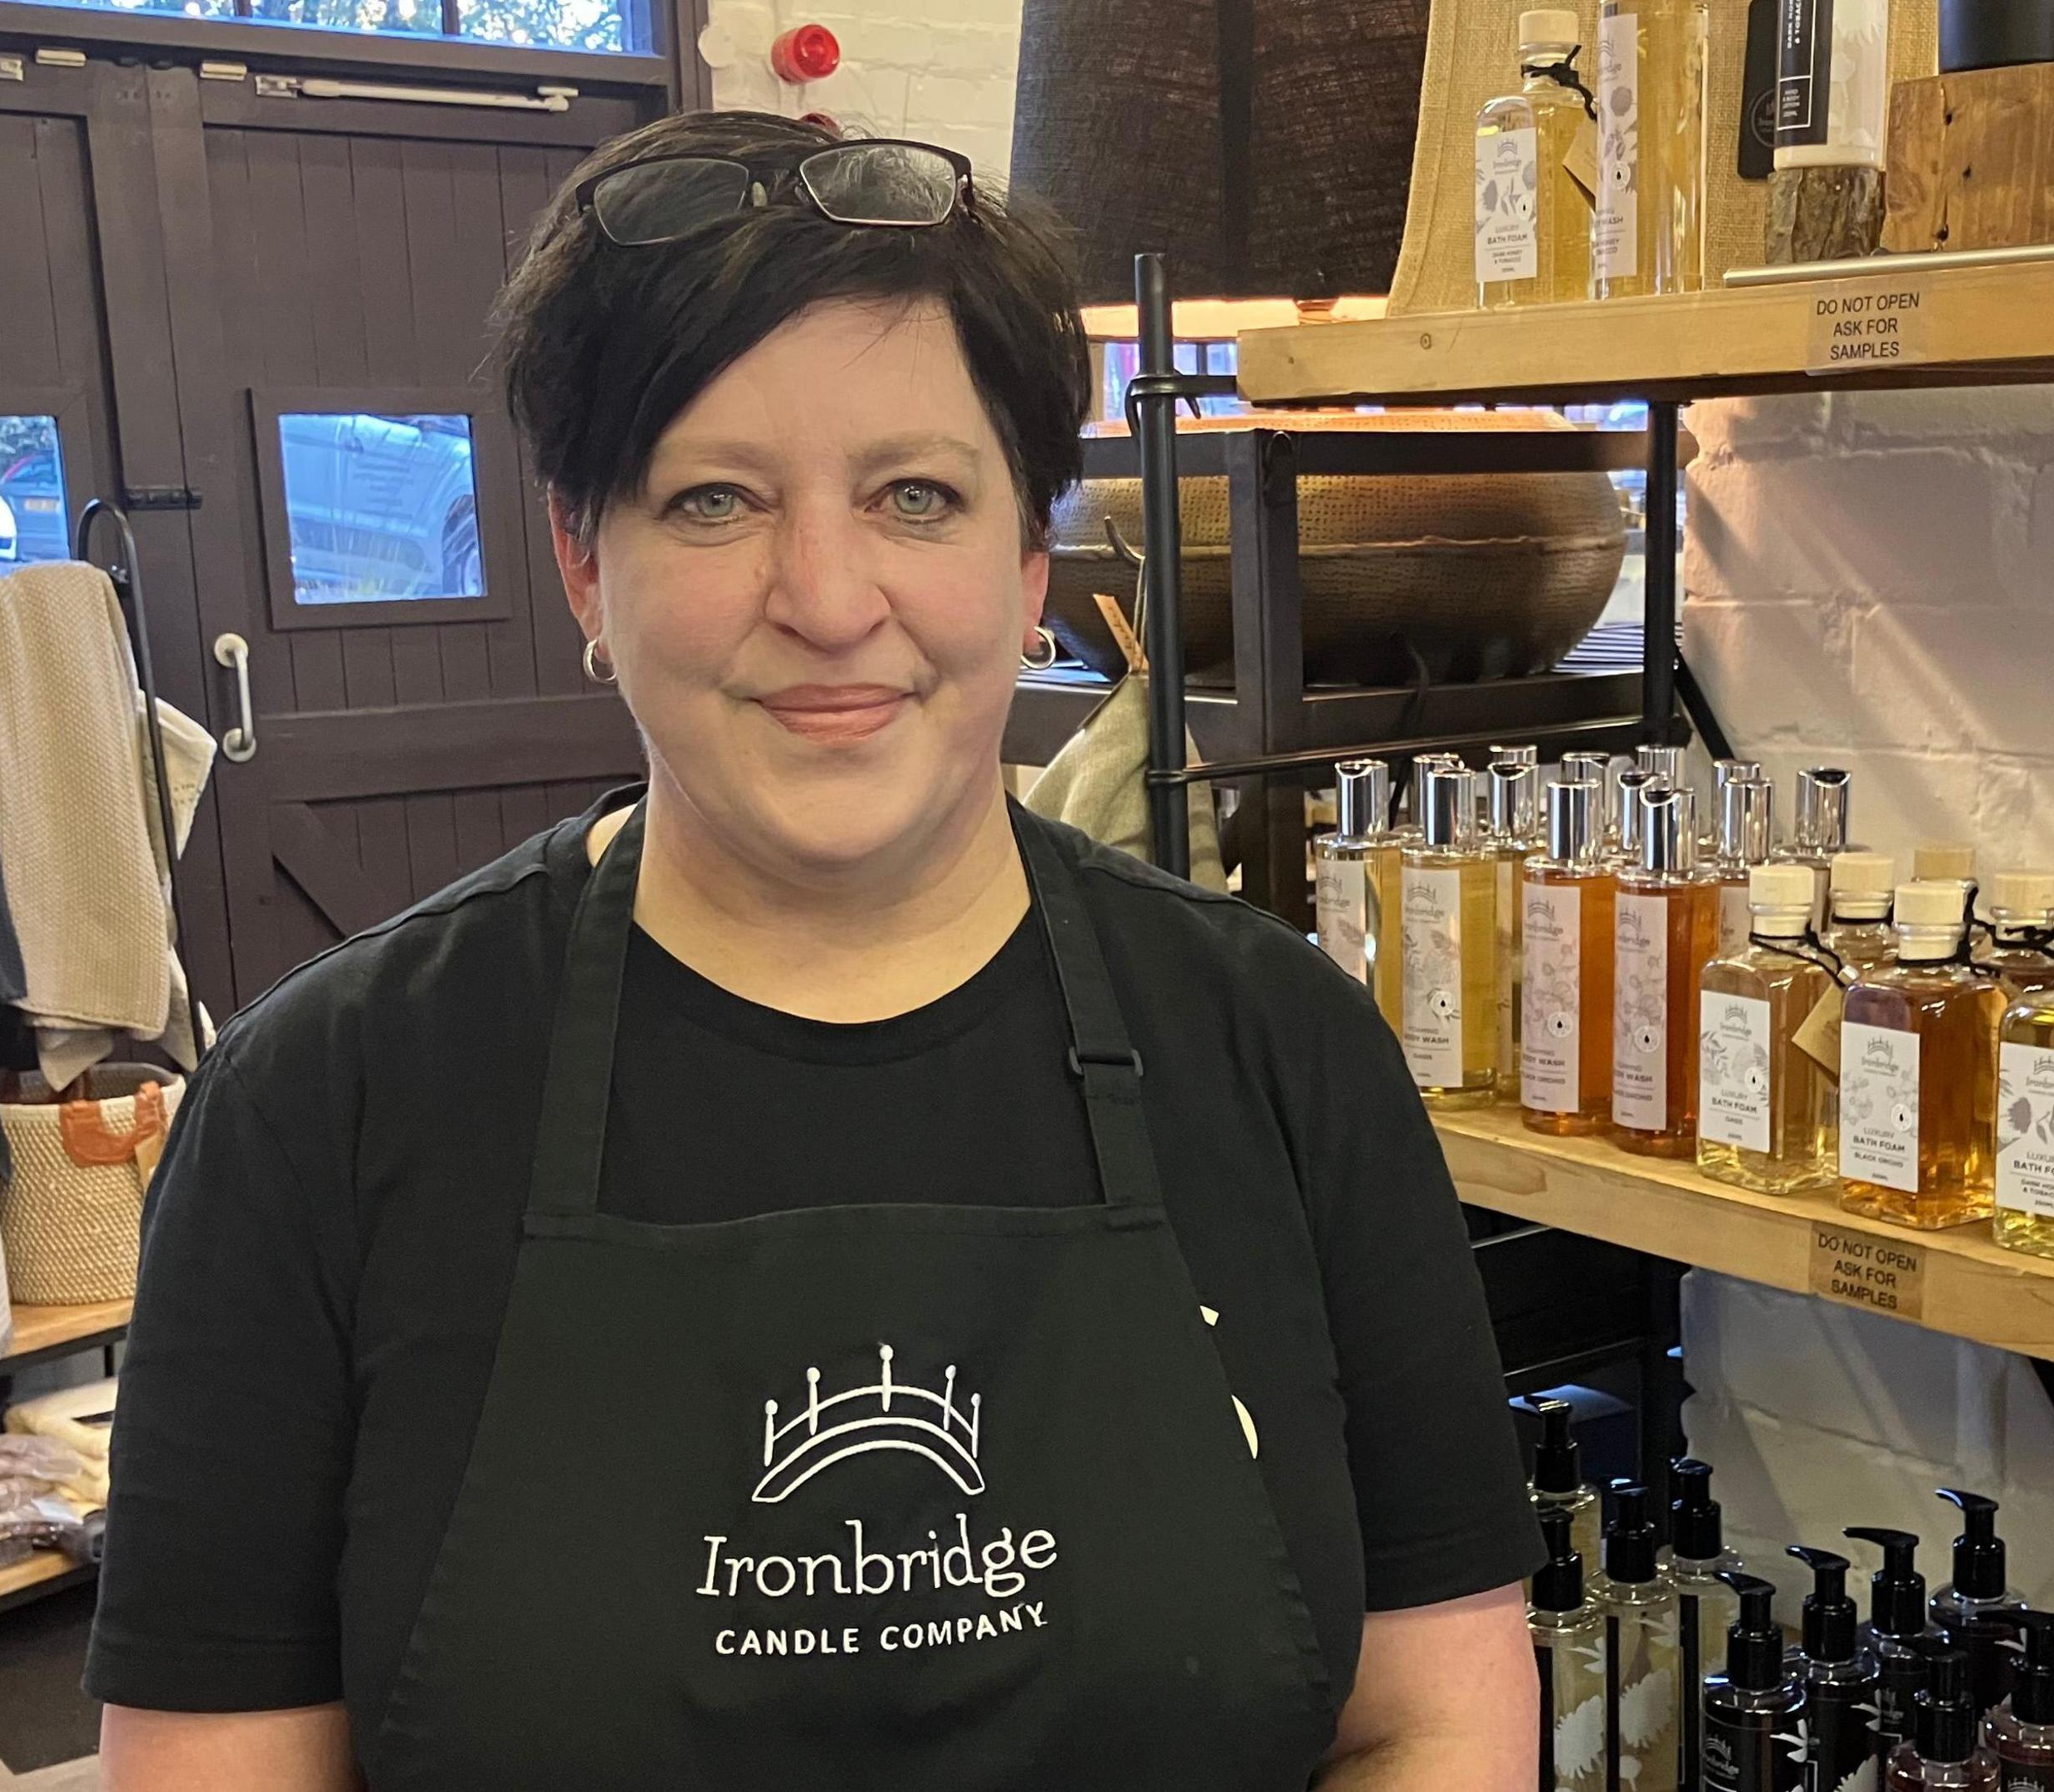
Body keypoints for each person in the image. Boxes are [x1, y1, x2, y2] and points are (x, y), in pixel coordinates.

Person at [87, 110, 1541, 1790]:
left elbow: (1437, 1719)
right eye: (716, 501)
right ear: (583, 559)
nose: (831, 600)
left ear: (1029, 560)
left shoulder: (1283, 1052)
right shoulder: (319, 1106)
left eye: (916, 496)